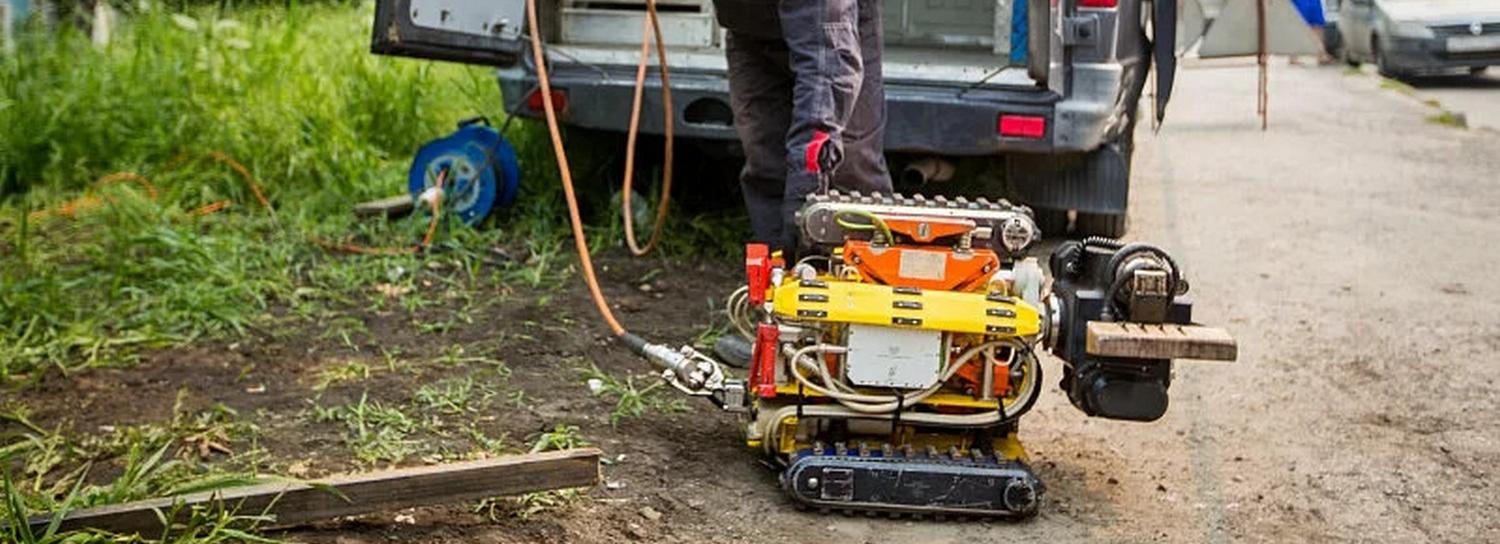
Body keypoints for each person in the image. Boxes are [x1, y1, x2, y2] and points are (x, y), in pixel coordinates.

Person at [711, 0, 892, 254]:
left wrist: (806, 189)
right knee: (767, 164)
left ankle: (867, 280)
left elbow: (826, 73)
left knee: (848, 170)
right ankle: (778, 278)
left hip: (828, 22)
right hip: (750, 26)